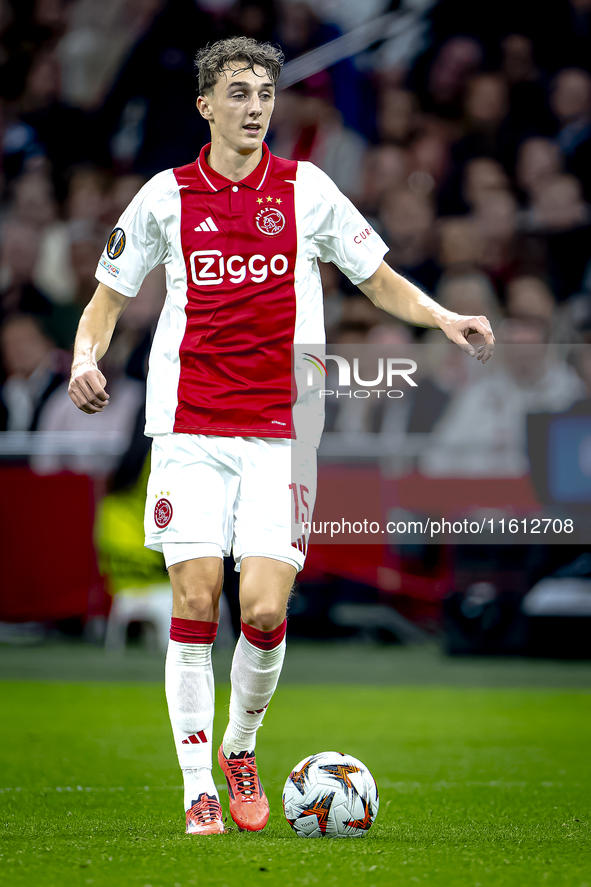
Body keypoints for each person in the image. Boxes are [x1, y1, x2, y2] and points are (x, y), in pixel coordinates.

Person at [68, 37, 495, 837]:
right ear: (205, 105)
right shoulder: (165, 196)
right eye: (237, 92)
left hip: (279, 432)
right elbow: (106, 298)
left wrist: (442, 316)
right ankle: (198, 785)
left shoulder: (307, 190)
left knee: (262, 612)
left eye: (264, 91)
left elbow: (375, 276)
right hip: (189, 425)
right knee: (195, 599)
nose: (255, 105)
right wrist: (84, 357)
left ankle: (239, 747)